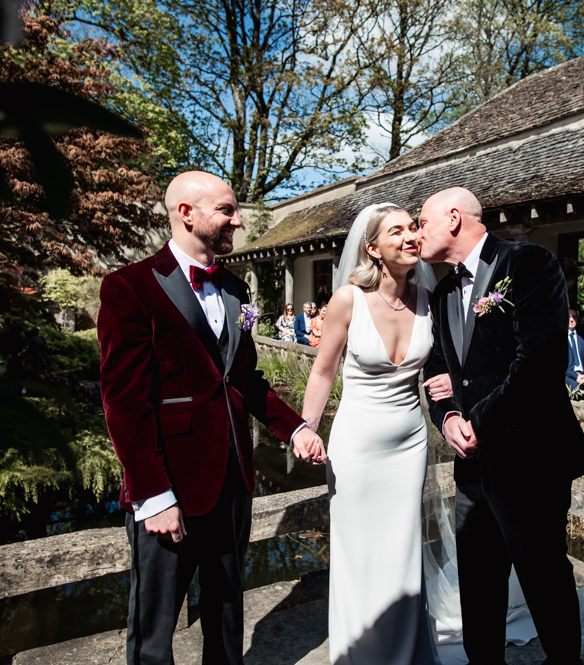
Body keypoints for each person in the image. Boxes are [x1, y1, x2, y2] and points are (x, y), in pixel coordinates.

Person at [98, 171, 324, 665]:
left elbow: (244, 379)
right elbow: (125, 404)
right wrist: (154, 495)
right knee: (154, 629)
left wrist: (295, 428)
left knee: (226, 612)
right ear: (186, 213)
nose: (238, 221)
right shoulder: (129, 287)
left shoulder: (236, 289)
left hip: (233, 479)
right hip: (169, 487)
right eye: (227, 210)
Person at [420, 187, 584, 665]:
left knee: (543, 574)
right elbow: (437, 370)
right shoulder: (442, 292)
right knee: (478, 579)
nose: (418, 233)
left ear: (453, 218)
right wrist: (449, 417)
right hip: (472, 465)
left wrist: (478, 420)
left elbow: (539, 361)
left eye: (423, 222)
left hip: (530, 457)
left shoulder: (528, 263)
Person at [300, 203, 449, 664]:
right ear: (373, 249)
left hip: (410, 443)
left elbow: (445, 364)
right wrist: (306, 428)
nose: (411, 236)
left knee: (402, 549)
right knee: (359, 552)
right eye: (396, 231)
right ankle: (358, 653)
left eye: (413, 227)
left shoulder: (429, 298)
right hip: (357, 446)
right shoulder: (348, 299)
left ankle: (405, 652)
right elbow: (323, 371)